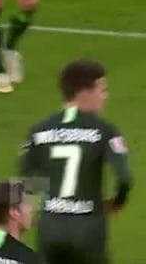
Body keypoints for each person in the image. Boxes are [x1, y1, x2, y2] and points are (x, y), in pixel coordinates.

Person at [18, 59, 133, 264]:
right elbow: (124, 178)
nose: (105, 96)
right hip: (88, 230)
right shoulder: (104, 130)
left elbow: (26, 181)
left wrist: (33, 210)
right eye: (102, 90)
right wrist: (117, 202)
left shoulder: (39, 130)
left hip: (50, 228)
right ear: (85, 92)